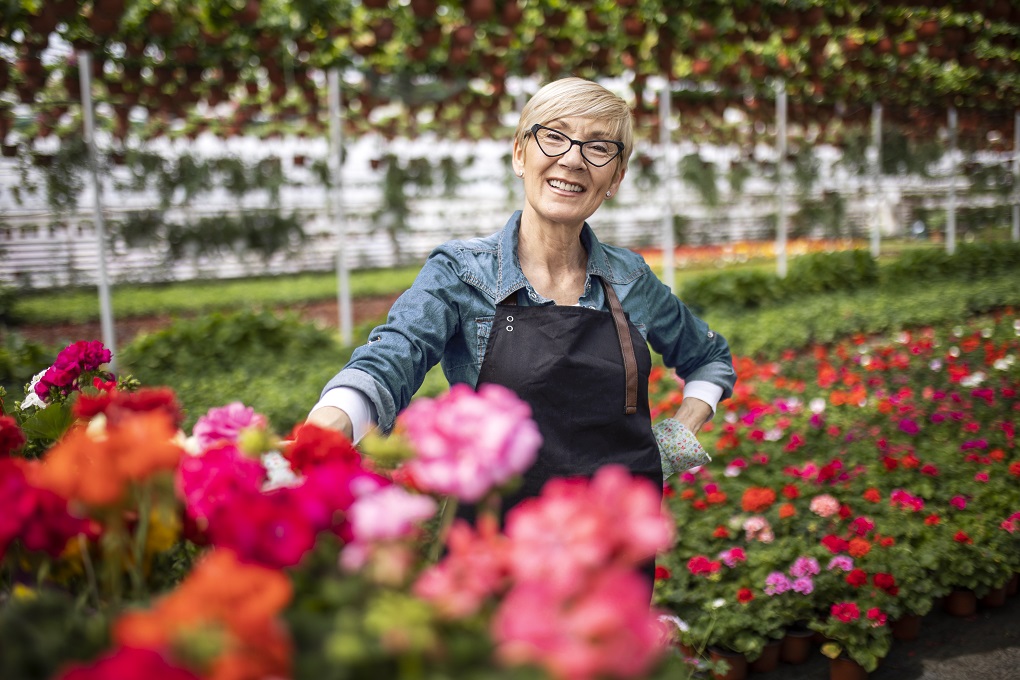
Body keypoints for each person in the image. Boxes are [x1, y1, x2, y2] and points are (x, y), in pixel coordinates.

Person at [307, 77, 736, 530]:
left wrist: (678, 435)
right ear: (519, 153)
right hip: (496, 548)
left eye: (598, 148)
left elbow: (710, 357)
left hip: (612, 550)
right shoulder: (461, 273)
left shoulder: (629, 279)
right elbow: (391, 358)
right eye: (553, 136)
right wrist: (334, 419)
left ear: (617, 176)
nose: (572, 159)